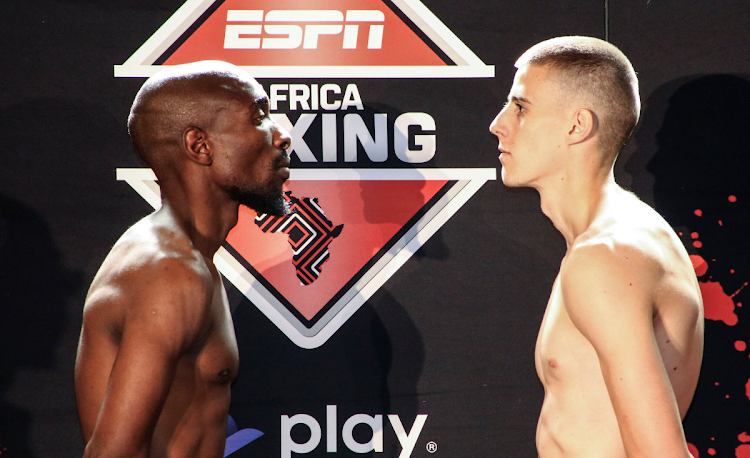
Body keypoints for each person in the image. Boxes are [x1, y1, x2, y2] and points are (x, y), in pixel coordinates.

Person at [489, 37, 704, 457]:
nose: (499, 123)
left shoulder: (604, 259)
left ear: (577, 126)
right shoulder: (625, 237)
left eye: (521, 107)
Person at [75, 60, 292, 458]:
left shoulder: (183, 256)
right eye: (258, 116)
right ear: (199, 146)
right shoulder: (171, 273)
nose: (283, 135)